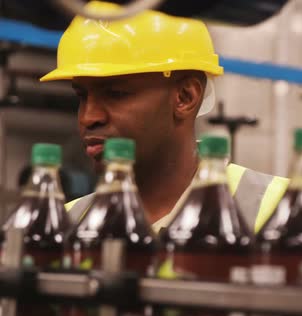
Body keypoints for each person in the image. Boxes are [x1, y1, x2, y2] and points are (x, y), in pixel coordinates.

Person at [40, 1, 289, 232]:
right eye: (82, 97)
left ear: (185, 97)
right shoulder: (67, 225)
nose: (88, 117)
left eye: (116, 94)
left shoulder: (280, 211)